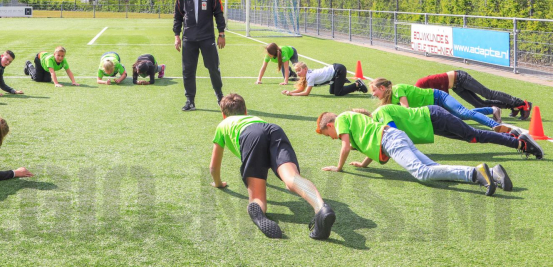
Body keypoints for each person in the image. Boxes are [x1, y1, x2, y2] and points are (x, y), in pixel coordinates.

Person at [210, 93, 335, 239]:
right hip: (273, 129)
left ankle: (259, 215)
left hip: (251, 136)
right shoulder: (254, 118)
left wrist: (218, 183)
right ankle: (321, 207)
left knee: (258, 198)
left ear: (224, 115)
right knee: (291, 178)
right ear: (245, 112)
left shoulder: (223, 125)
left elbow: (214, 166)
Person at [316, 111, 508, 195]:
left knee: (422, 173)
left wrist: (339, 167)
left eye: (327, 134)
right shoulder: (352, 121)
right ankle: (492, 172)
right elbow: (372, 142)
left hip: (391, 140)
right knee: (434, 169)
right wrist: (363, 164)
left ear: (330, 125)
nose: (332, 138)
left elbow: (345, 146)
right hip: (394, 137)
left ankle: (475, 173)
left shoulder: (341, 120)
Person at [354, 105, 543, 161]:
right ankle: (513, 137)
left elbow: (395, 134)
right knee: (473, 137)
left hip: (433, 117)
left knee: (475, 135)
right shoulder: (377, 124)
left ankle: (522, 144)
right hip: (433, 123)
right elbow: (383, 142)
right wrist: (364, 163)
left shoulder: (379, 114)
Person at [173, 0, 225, 111]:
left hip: (207, 37)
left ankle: (220, 97)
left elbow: (218, 13)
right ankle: (190, 101)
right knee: (188, 70)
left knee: (213, 67)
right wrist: (177, 36)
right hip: (189, 39)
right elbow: (177, 16)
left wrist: (221, 33)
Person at [370, 78, 510, 132]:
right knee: (462, 116)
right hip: (433, 107)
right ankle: (492, 109)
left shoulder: (397, 89)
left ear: (382, 88)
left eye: (374, 90)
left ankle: (494, 125)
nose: (373, 94)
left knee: (464, 113)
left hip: (438, 97)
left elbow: (406, 109)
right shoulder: (389, 100)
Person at [415, 70, 532, 121]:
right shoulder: (422, 92)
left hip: (460, 77)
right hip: (456, 86)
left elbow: (443, 97)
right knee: (478, 104)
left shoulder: (421, 84)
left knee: (488, 93)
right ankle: (512, 107)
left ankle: (522, 103)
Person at [284, 62, 366, 97]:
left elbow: (306, 93)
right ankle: (342, 81)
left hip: (339, 70)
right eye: (296, 71)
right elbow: (301, 88)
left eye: (299, 70)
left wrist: (292, 95)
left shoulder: (310, 76)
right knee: (332, 92)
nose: (298, 73)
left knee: (338, 93)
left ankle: (357, 84)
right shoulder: (307, 75)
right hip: (335, 72)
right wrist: (290, 92)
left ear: (305, 69)